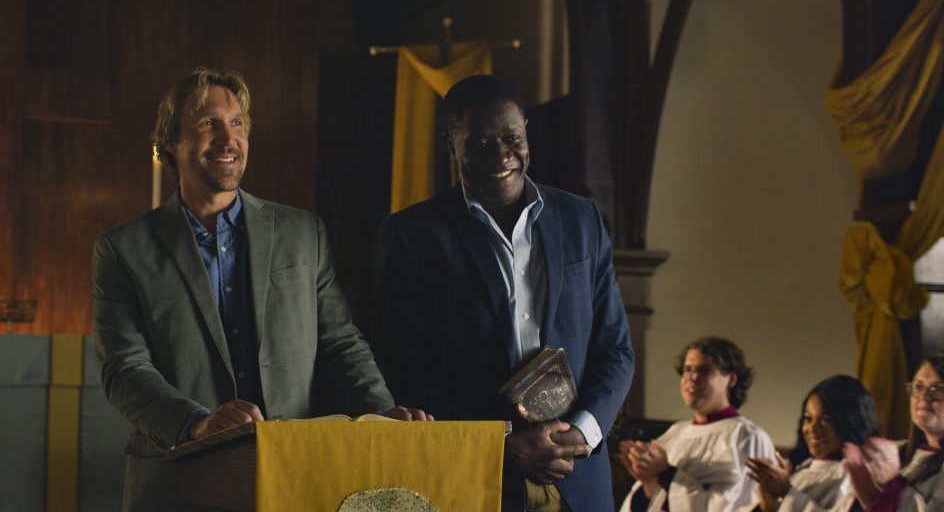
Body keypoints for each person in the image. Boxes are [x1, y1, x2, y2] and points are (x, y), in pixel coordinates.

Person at [93, 68, 427, 511]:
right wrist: (197, 423)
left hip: (296, 475)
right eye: (208, 123)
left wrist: (381, 414)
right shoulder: (123, 250)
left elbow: (339, 341)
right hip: (178, 479)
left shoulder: (302, 232)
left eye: (237, 123)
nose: (228, 138)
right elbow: (124, 370)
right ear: (170, 140)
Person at [376, 74, 634, 511]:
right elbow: (405, 369)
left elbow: (616, 350)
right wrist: (498, 444)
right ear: (452, 144)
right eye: (480, 143)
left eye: (511, 138)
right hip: (478, 481)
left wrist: (583, 431)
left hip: (580, 479)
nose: (501, 155)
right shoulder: (413, 235)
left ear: (526, 132)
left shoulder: (583, 220)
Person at [619, 336, 775, 512]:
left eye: (704, 370)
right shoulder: (676, 433)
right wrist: (648, 480)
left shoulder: (747, 437)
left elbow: (736, 505)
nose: (692, 377)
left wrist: (666, 474)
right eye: (687, 369)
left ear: (731, 379)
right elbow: (657, 501)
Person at [746, 375, 878, 511]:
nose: (812, 429)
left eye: (825, 420)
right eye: (808, 418)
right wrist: (767, 505)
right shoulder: (801, 468)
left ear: (851, 422)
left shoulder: (855, 479)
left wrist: (787, 491)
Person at [843, 355, 944, 510]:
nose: (923, 396)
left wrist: (892, 485)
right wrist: (872, 498)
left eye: (937, 389)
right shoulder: (900, 452)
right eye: (918, 387)